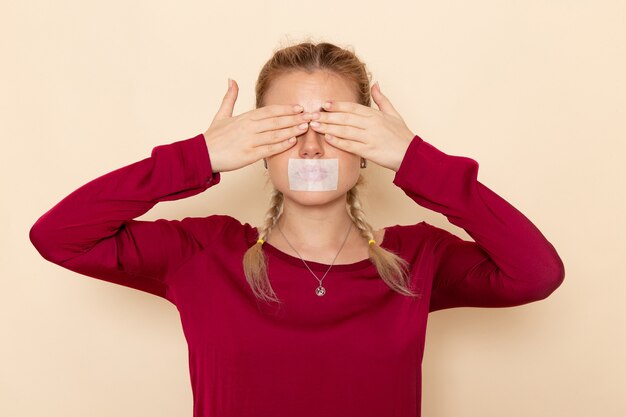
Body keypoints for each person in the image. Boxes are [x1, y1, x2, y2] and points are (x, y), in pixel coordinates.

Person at [29, 41, 565, 417]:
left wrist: (416, 160)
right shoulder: (202, 253)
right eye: (287, 128)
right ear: (256, 148)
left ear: (368, 148)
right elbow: (58, 236)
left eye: (335, 127)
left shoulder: (416, 260)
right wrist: (199, 156)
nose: (311, 147)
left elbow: (537, 274)